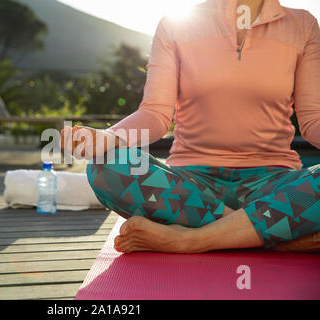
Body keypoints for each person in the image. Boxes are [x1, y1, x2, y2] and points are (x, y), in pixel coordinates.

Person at [60, 0, 320, 253]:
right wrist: (108, 136)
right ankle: (278, 238)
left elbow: (313, 118)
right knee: (107, 166)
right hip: (191, 189)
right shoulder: (176, 24)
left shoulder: (303, 25)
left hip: (273, 184)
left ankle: (192, 240)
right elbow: (155, 113)